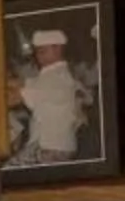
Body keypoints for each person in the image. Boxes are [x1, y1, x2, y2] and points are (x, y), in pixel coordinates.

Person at [17, 28, 88, 164]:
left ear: (58, 49)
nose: (39, 56)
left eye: (43, 51)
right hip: (51, 144)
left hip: (51, 147)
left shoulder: (56, 78)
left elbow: (17, 97)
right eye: (37, 52)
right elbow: (25, 84)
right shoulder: (51, 74)